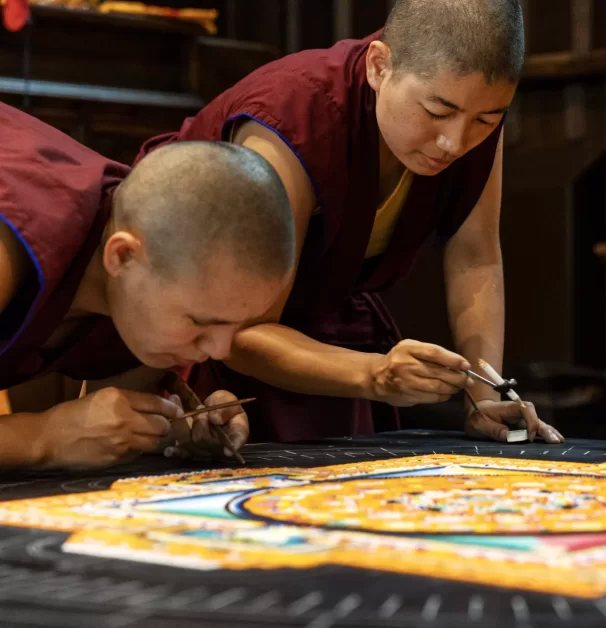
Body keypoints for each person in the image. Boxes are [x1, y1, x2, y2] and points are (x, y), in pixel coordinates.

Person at [138, 0, 563, 444]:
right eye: (437, 112)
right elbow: (239, 329)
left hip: (332, 345)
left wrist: (485, 392)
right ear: (380, 66)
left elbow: (475, 256)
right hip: (204, 350)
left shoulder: (470, 117)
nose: (454, 142)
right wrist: (376, 373)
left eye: (486, 120)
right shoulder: (291, 122)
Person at [0, 102, 295, 469]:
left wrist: (168, 430)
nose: (218, 351)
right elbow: (56, 437)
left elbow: (104, 429)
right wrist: (41, 437)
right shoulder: (14, 237)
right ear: (121, 255)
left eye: (234, 327)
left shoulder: (141, 278)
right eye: (201, 322)